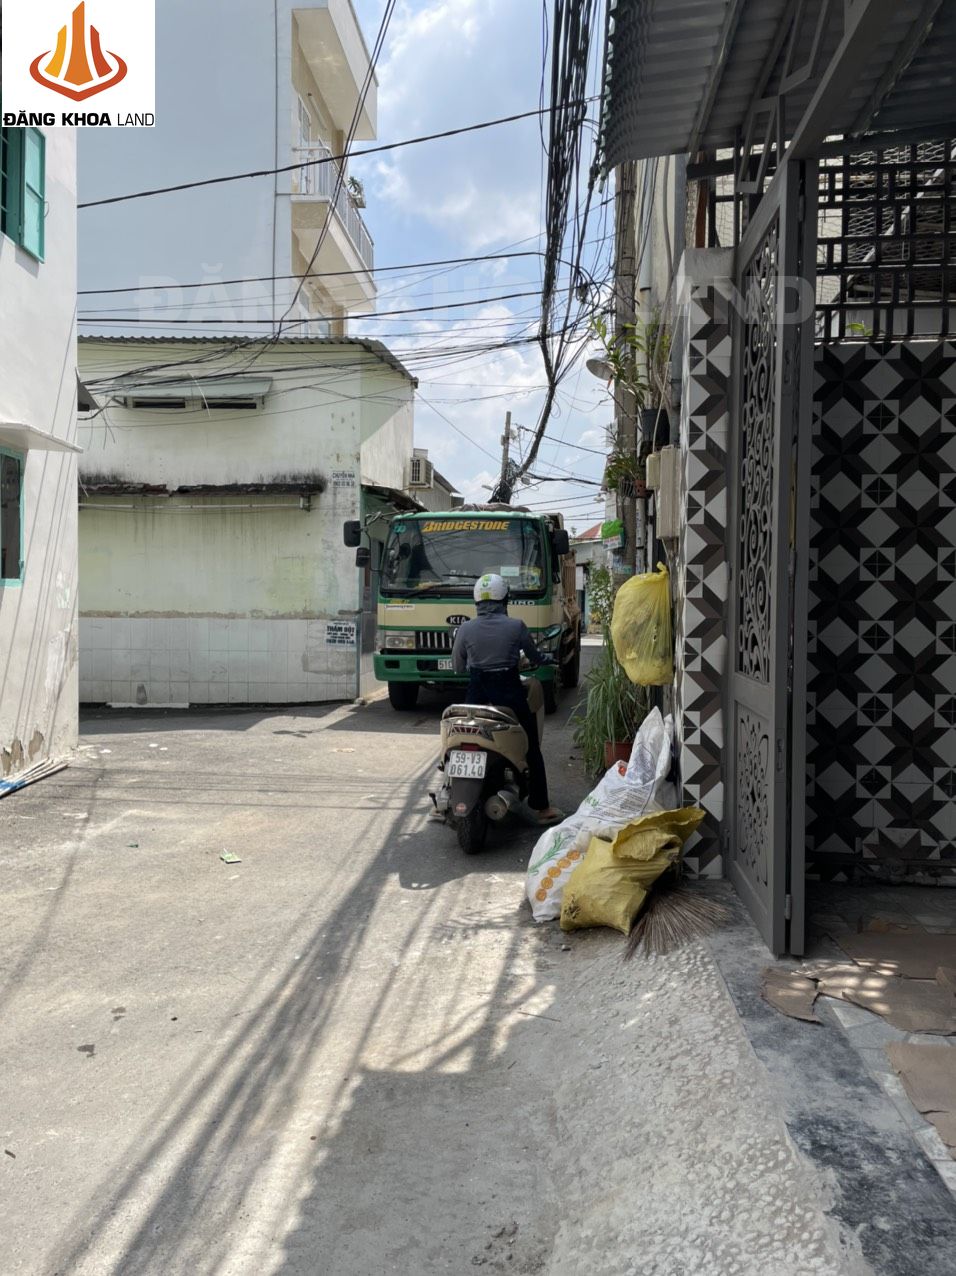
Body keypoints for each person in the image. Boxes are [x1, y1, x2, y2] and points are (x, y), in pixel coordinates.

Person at [451, 572, 563, 825]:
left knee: (462, 739)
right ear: (505, 599)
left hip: (476, 698)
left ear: (477, 601)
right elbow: (534, 657)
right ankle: (542, 807)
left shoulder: (465, 629)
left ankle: (449, 793)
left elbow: (458, 666)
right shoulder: (516, 626)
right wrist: (547, 659)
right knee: (530, 748)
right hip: (510, 696)